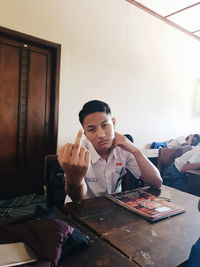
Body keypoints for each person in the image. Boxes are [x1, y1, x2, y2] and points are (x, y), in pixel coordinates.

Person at [58, 100, 162, 202]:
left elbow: (156, 183)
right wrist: (75, 179)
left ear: (113, 123)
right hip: (83, 208)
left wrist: (136, 151)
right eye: (91, 130)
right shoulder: (78, 154)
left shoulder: (124, 147)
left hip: (113, 206)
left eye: (104, 125)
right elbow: (77, 198)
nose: (101, 135)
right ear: (85, 133)